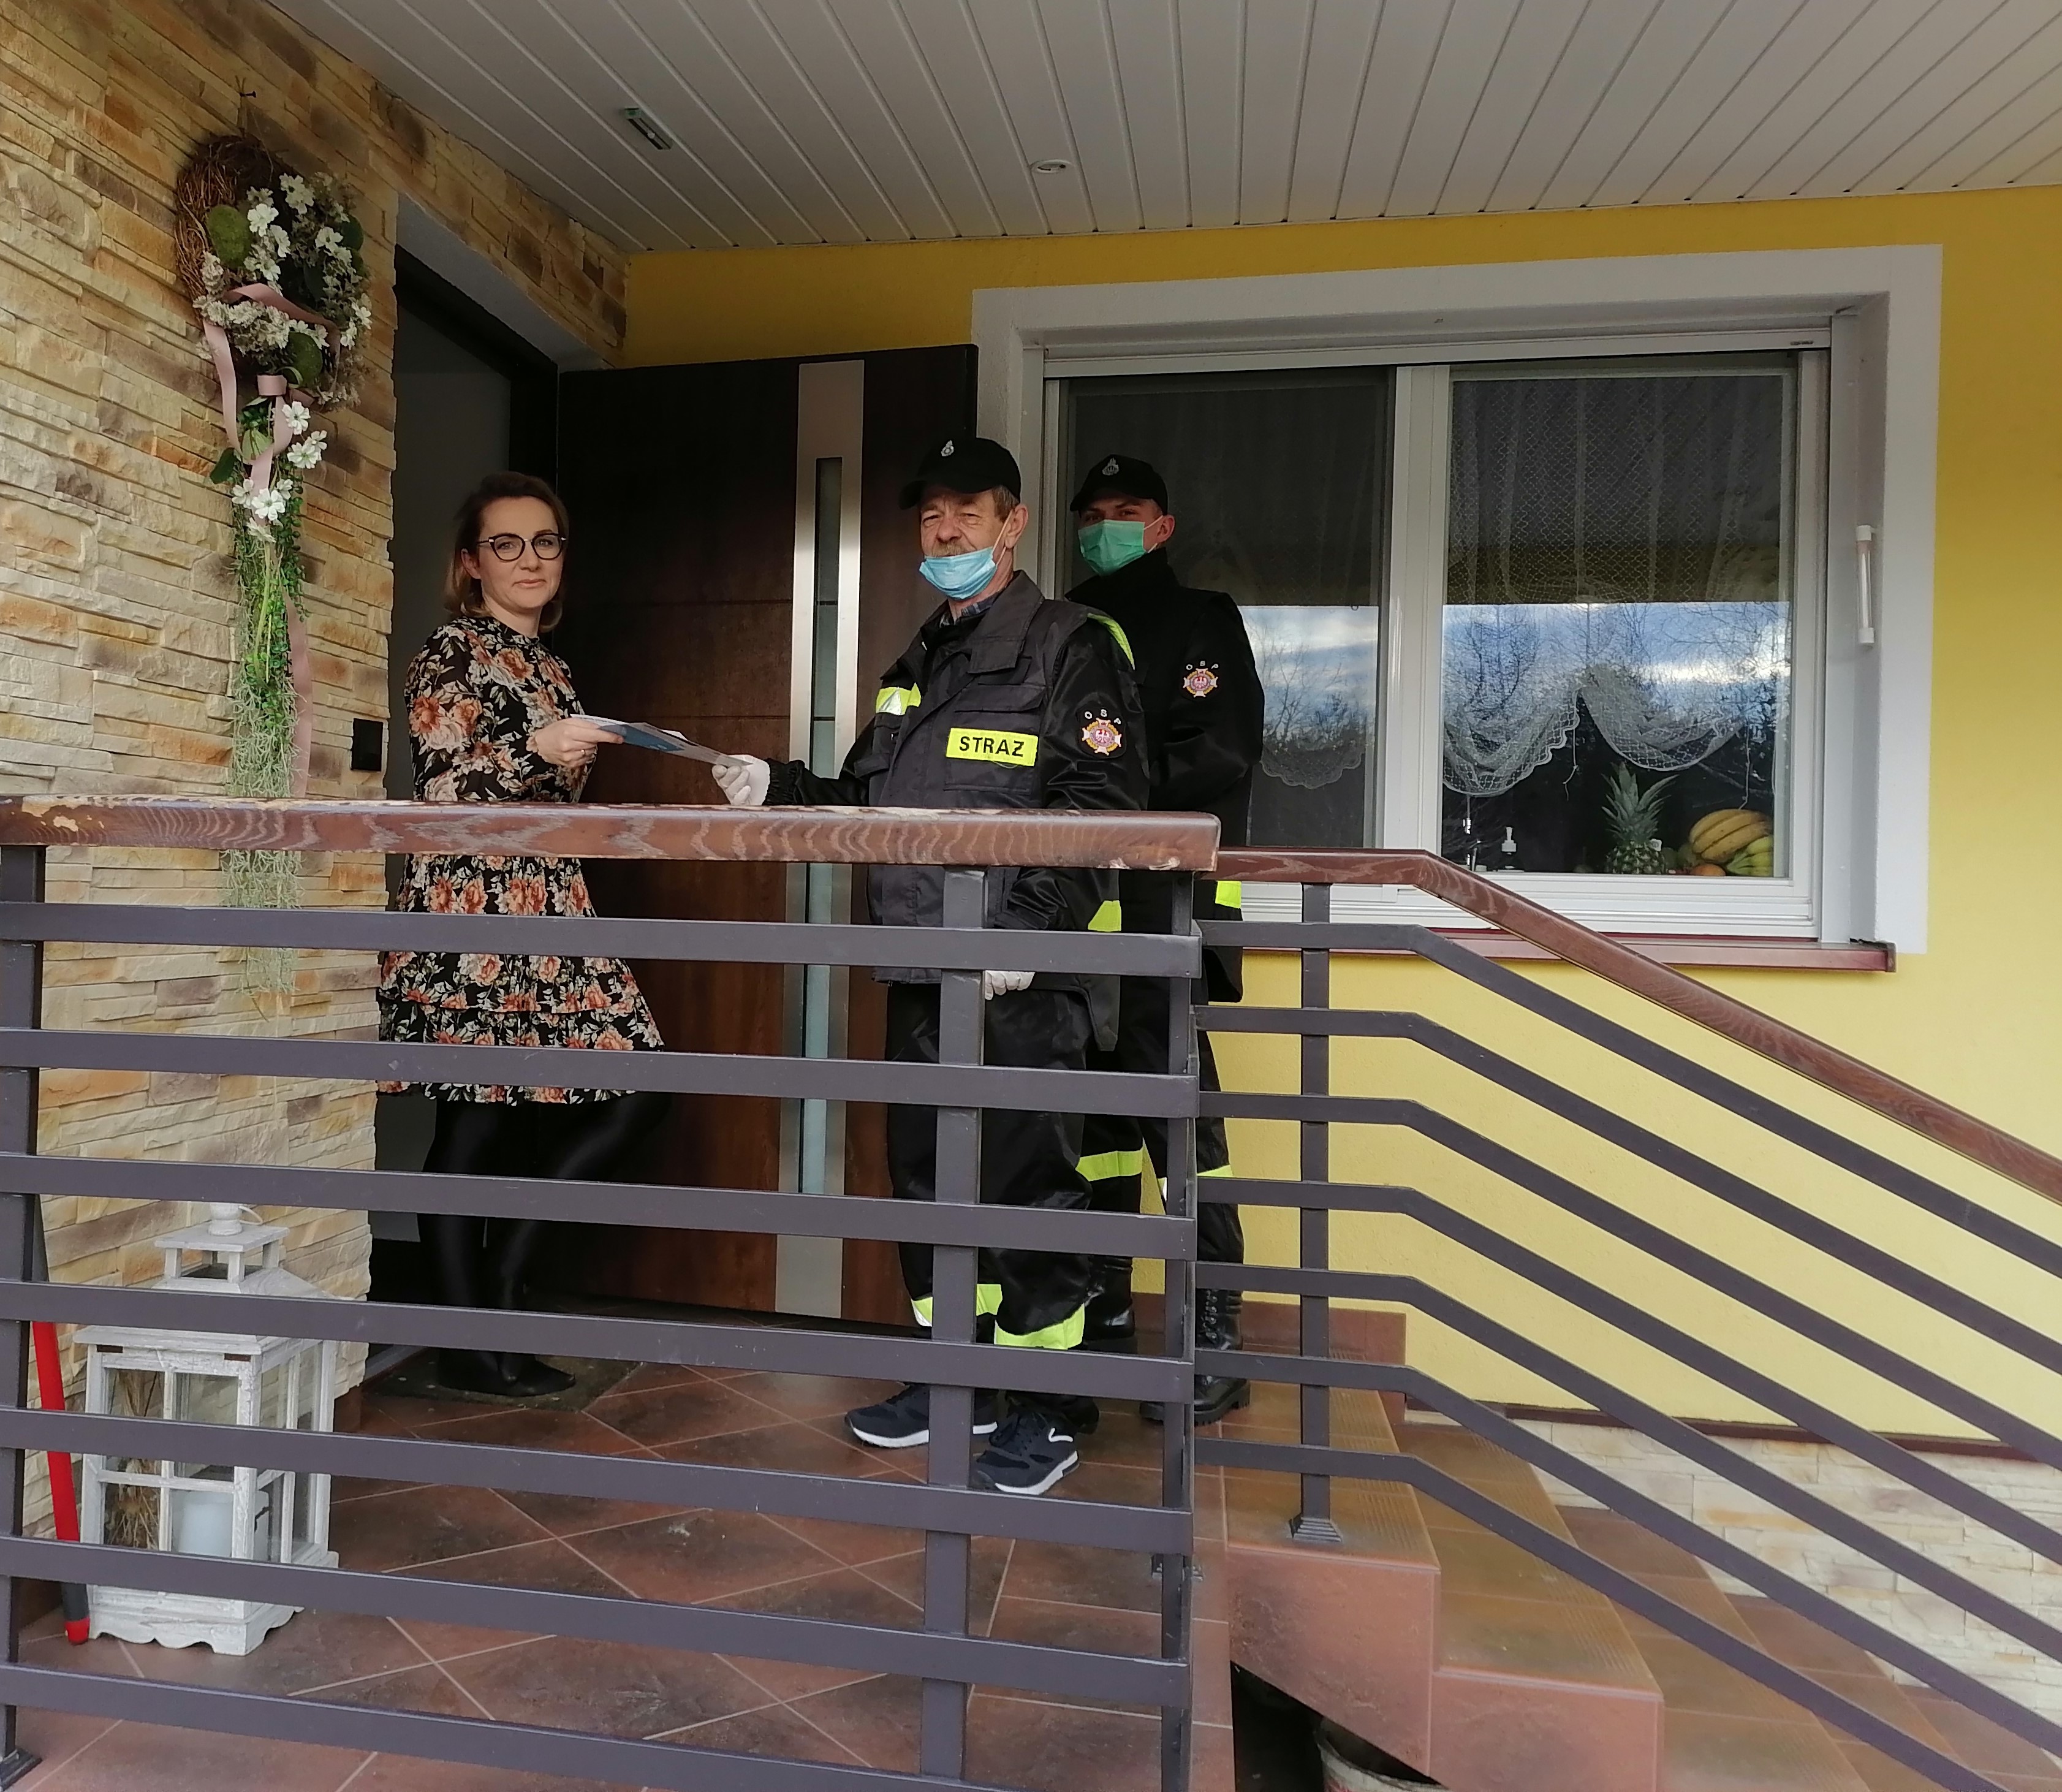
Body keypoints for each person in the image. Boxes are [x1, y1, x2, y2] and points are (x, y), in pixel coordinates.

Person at [713, 436, 1146, 1496]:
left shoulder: (1071, 644)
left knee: (1025, 1187)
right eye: (930, 517)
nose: (945, 533)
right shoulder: (925, 655)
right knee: (927, 1183)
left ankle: (1047, 1405)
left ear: (1013, 524)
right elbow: (873, 798)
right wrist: (779, 786)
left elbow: (1102, 809)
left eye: (967, 514)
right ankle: (959, 1379)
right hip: (919, 964)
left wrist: (1025, 934)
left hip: (1023, 977)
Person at [377, 471, 669, 1399]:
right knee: (477, 1119)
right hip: (471, 904)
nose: (530, 559)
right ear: (472, 563)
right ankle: (471, 1340)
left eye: (545, 541)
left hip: (548, 901)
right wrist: (531, 751)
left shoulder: (551, 667)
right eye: (506, 544)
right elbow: (440, 791)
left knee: (634, 1091)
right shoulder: (451, 651)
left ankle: (501, 1297)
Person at [1066, 454, 1264, 1425]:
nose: (1109, 525)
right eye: (1094, 513)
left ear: (1162, 525)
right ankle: (1104, 1311)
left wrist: (1100, 801)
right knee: (1090, 1130)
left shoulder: (1199, 621)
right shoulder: (1057, 624)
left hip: (1159, 912)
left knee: (1180, 1126)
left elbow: (1217, 752)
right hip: (1070, 915)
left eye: (1127, 509)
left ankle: (1213, 1332)